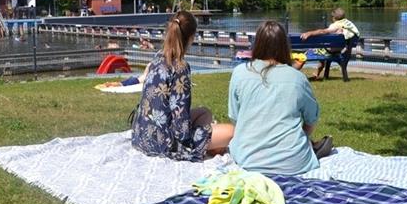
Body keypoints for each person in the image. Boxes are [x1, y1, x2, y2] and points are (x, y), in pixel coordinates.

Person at [228, 21, 333, 175]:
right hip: (295, 163)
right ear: (284, 45)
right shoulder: (298, 78)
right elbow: (311, 120)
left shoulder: (239, 73)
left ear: (257, 44)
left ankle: (307, 145)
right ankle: (308, 146)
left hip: (249, 160)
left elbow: (236, 119)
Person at [132, 10, 233, 161]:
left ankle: (209, 144)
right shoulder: (180, 67)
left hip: (142, 134)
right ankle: (206, 147)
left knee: (204, 112)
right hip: (164, 143)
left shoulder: (158, 57)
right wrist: (194, 136)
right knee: (231, 131)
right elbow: (181, 125)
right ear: (191, 38)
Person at [300, 7, 361, 81]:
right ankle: (317, 74)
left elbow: (323, 32)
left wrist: (309, 33)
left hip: (329, 52)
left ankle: (295, 73)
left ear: (334, 18)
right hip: (340, 52)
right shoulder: (349, 24)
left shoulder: (335, 25)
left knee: (307, 53)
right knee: (323, 51)